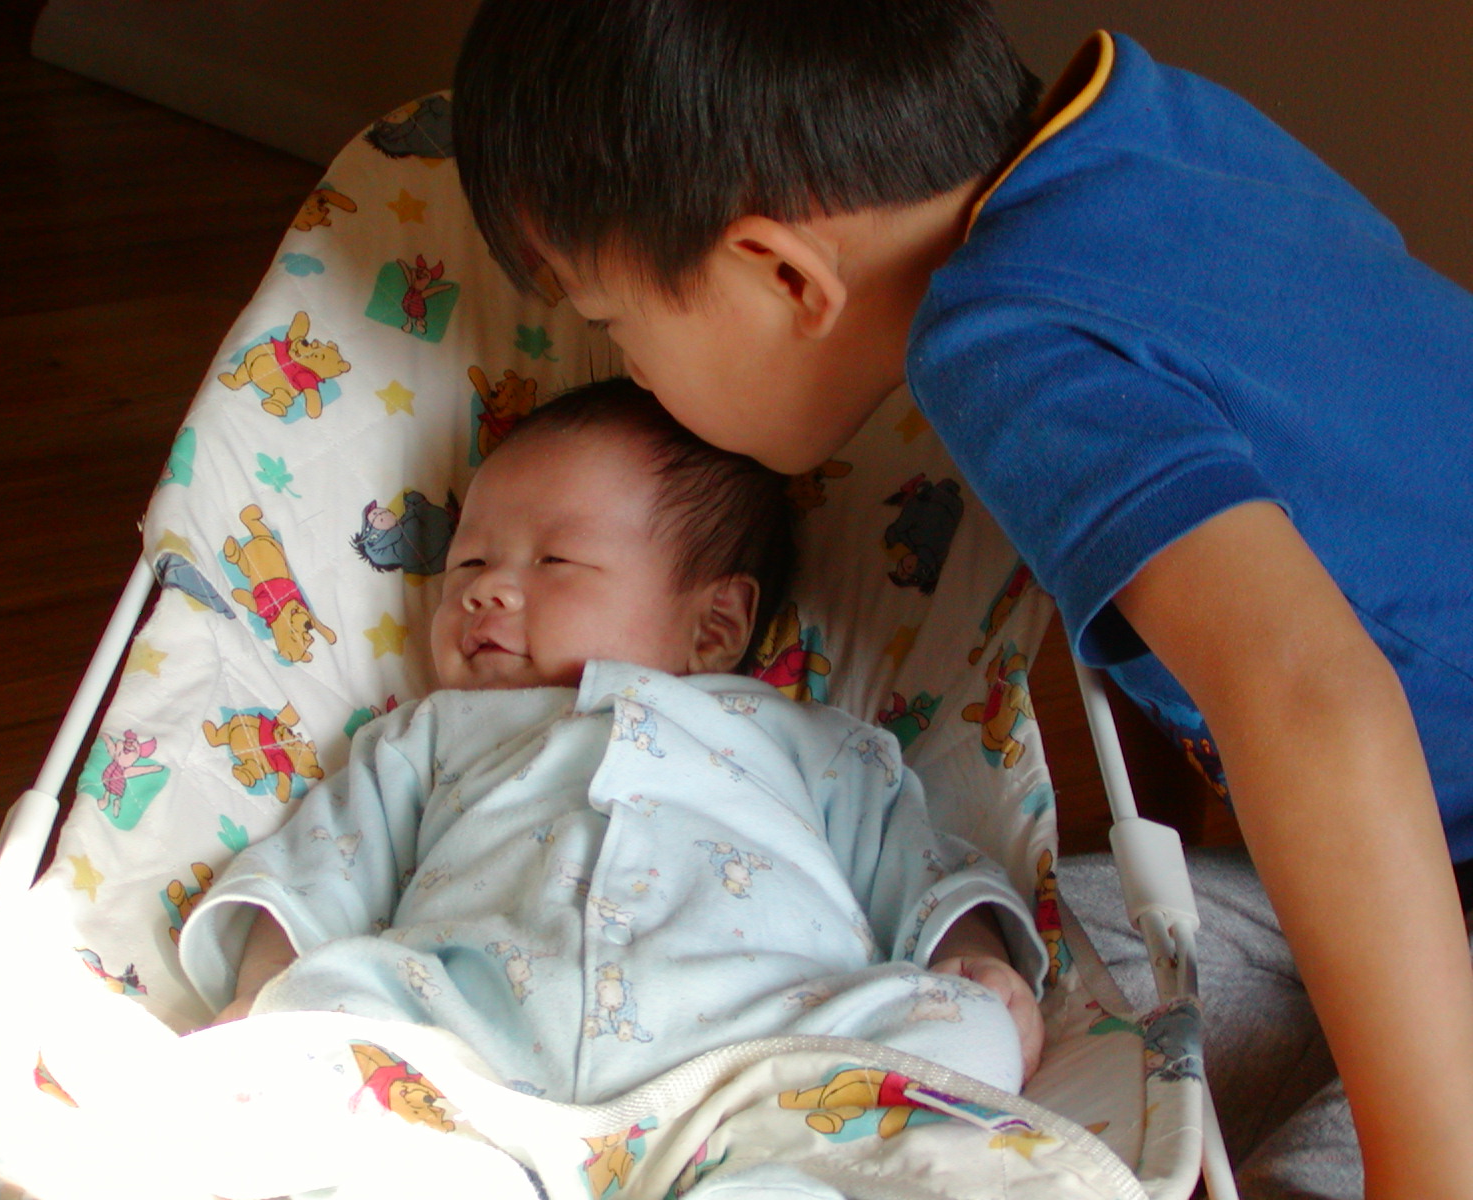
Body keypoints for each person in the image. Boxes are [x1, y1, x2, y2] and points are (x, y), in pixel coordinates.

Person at [449, 5, 1473, 1198]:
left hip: (1395, 805)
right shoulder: (1138, 119)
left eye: (614, 327)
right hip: (1426, 846)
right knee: (1031, 964)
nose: (630, 372)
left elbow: (1310, 703)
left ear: (783, 273)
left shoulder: (1000, 345)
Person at [179, 379, 1047, 1114]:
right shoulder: (427, 735)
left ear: (715, 626)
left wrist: (971, 955)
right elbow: (313, 868)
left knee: (967, 1031)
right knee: (312, 1010)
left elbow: (918, 862)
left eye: (554, 561)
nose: (486, 592)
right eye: (469, 565)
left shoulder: (809, 741)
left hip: (766, 1045)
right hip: (475, 1045)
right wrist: (266, 987)